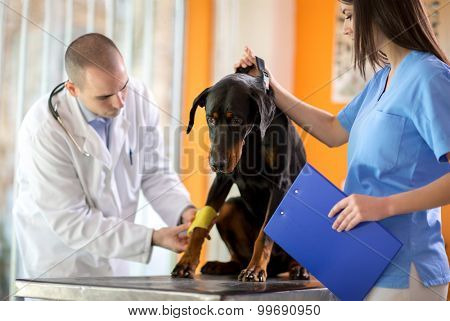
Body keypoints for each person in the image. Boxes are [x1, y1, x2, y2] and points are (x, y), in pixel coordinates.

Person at [235, 0, 450, 300]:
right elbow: (333, 130)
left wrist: (382, 205)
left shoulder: (429, 76)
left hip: (405, 272)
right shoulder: (383, 79)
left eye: (349, 17)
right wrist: (269, 84)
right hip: (359, 261)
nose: (347, 29)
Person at [13, 33, 196, 278]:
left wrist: (184, 210)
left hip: (116, 261)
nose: (120, 103)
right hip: (63, 264)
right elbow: (73, 221)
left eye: (123, 87)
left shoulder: (138, 99)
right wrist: (151, 238)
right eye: (104, 96)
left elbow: (154, 170)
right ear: (73, 89)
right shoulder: (43, 131)